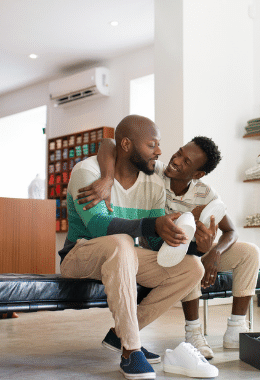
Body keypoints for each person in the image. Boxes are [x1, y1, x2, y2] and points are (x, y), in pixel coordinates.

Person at [79, 136, 260, 360]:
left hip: (192, 247)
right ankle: (193, 332)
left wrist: (214, 252)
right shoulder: (155, 172)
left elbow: (231, 230)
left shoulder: (204, 193)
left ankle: (236, 329)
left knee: (249, 252)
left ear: (197, 174)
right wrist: (107, 178)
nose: (175, 160)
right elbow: (109, 143)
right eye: (178, 153)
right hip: (160, 251)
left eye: (186, 162)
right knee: (189, 258)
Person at [58, 115, 204, 380]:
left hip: (123, 257)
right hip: (80, 256)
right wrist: (152, 225)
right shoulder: (87, 172)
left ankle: (121, 335)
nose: (159, 151)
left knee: (191, 267)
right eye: (152, 145)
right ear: (126, 145)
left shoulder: (154, 182)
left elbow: (158, 243)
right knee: (121, 241)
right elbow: (99, 227)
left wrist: (193, 244)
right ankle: (131, 349)